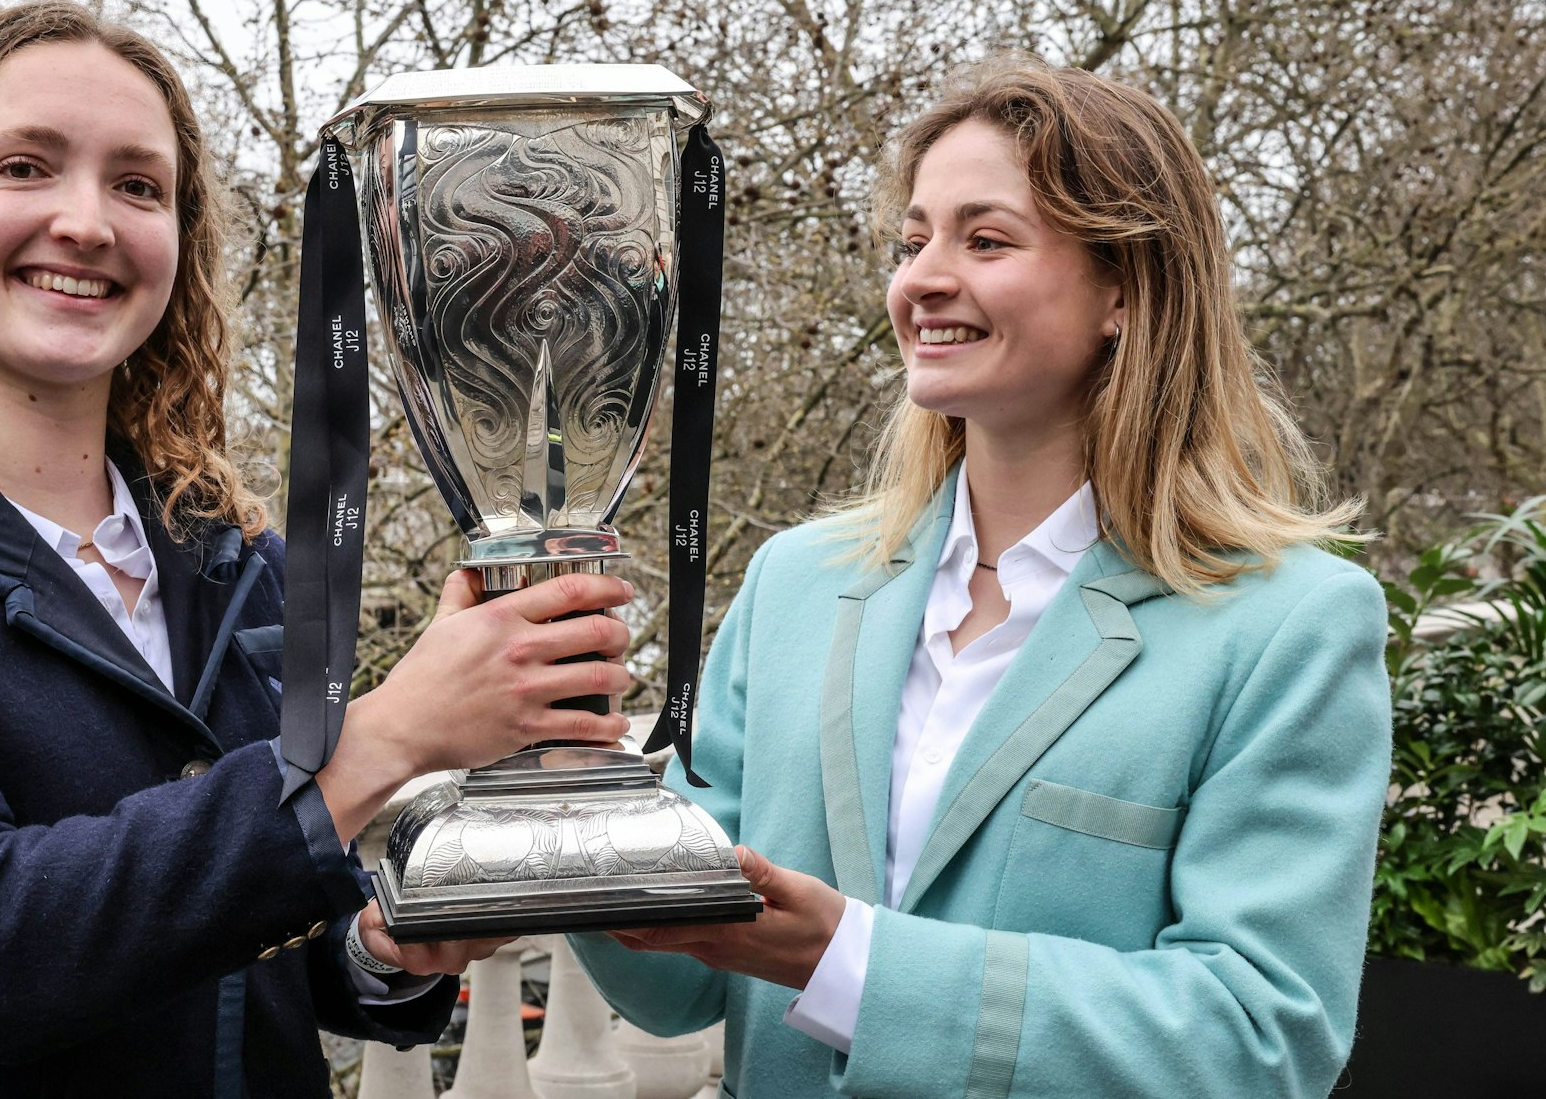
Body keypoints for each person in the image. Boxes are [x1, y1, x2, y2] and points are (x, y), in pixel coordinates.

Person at [0, 1, 635, 1097]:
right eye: (26, 167)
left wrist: (378, 950)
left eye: (136, 185)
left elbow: (248, 935)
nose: (86, 222)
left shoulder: (236, 561)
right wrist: (385, 739)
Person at [571, 56, 1392, 1098]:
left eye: (984, 239)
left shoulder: (1289, 626)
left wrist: (851, 963)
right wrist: (562, 775)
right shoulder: (796, 582)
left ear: (1124, 293)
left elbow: (1257, 1037)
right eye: (911, 242)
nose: (919, 278)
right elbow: (677, 993)